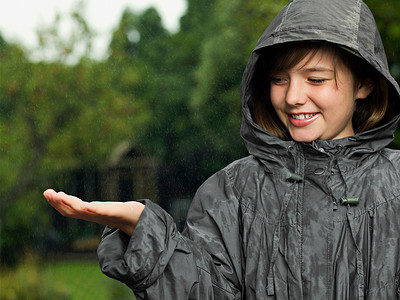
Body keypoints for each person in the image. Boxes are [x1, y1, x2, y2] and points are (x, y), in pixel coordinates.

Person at [44, 0, 400, 298]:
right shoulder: (231, 192)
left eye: (316, 79)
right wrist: (142, 231)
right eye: (279, 79)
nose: (292, 97)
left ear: (365, 83)